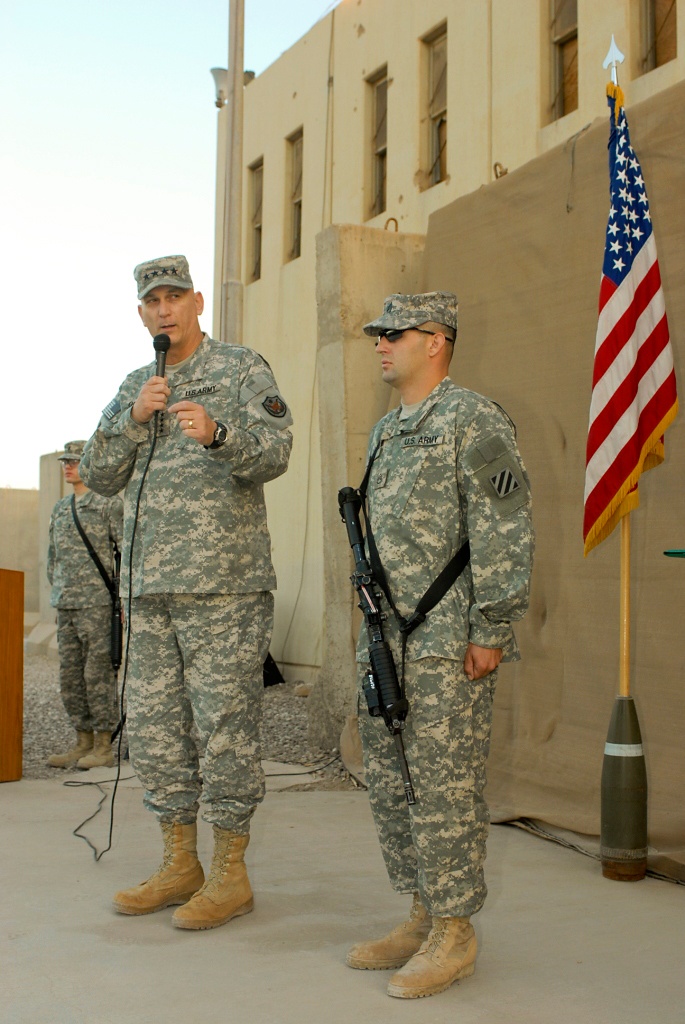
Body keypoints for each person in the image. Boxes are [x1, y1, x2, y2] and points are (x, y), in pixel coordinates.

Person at [80, 254, 292, 930]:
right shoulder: (136, 385)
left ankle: (230, 872)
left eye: (175, 297)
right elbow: (95, 474)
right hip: (148, 593)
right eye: (153, 301)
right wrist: (131, 421)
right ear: (142, 313)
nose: (165, 309)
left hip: (222, 588)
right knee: (154, 729)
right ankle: (180, 861)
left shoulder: (240, 368)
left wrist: (219, 434)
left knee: (224, 730)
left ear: (198, 303)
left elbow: (276, 451)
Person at [345, 292, 534, 999]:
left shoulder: (473, 419)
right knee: (395, 785)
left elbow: (504, 527)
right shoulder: (385, 432)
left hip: (448, 638)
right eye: (377, 334)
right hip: (385, 639)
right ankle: (421, 912)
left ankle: (454, 930)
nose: (380, 344)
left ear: (436, 340)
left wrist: (491, 627)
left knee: (446, 787)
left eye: (394, 333)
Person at [47, 441, 123, 770]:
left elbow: (126, 554)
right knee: (71, 677)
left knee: (98, 677)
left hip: (97, 606)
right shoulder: (61, 508)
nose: (68, 466)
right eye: (65, 461)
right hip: (66, 604)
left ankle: (103, 747)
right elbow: (53, 558)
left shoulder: (108, 505)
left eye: (75, 461)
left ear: (90, 463)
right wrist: (59, 587)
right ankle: (82, 742)